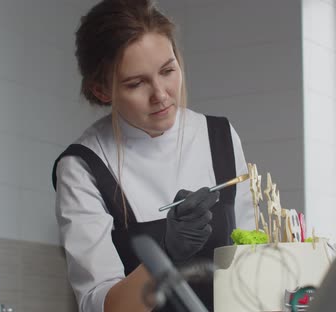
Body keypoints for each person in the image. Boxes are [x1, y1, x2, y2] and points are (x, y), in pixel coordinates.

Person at [52, 0, 254, 311]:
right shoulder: (83, 166)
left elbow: (251, 262)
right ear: (102, 90)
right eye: (136, 83)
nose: (160, 94)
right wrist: (165, 254)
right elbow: (99, 304)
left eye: (168, 70)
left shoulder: (220, 137)